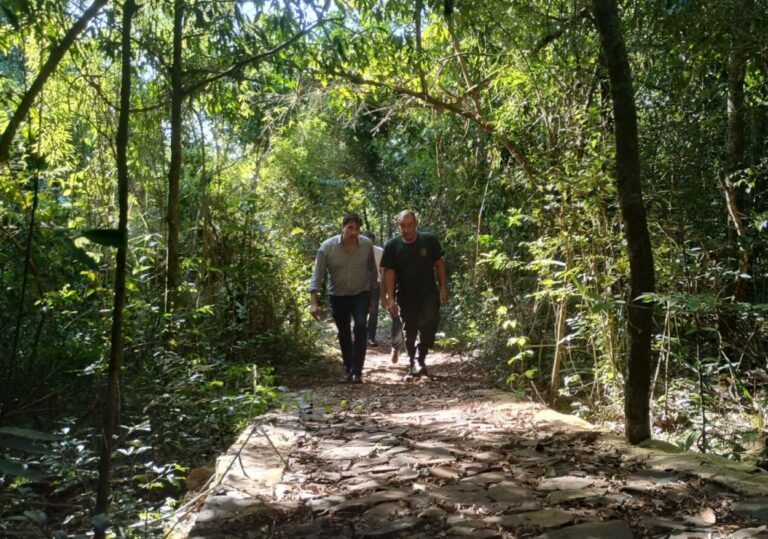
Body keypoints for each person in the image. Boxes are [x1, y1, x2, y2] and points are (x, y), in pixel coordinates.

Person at [309, 213, 377, 384]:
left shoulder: (366, 245)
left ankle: (357, 371)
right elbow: (317, 275)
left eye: (357, 228)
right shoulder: (327, 247)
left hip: (360, 293)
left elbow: (372, 271)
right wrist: (314, 302)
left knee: (361, 327)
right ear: (343, 227)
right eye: (350, 228)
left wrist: (372, 297)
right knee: (344, 332)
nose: (354, 232)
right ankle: (348, 368)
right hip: (337, 295)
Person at [380, 210, 447, 380]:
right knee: (410, 328)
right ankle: (413, 362)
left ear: (416, 224)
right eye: (403, 226)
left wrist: (443, 287)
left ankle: (420, 357)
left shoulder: (429, 240)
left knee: (430, 321)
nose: (407, 229)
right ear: (399, 226)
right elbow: (389, 273)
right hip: (405, 295)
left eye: (410, 225)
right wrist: (390, 298)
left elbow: (439, 264)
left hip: (428, 293)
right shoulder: (392, 246)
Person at [361, 231, 383, 346]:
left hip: (375, 285)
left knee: (373, 311)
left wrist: (385, 292)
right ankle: (361, 336)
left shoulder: (379, 252)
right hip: (359, 285)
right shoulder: (354, 250)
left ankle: (371, 337)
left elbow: (383, 272)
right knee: (360, 310)